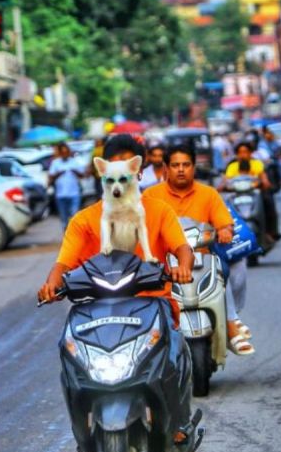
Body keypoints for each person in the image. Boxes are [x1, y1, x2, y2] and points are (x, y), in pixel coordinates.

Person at [38, 135, 195, 322]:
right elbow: (63, 264)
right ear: (103, 174)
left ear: (139, 173)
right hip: (98, 313)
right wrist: (52, 285)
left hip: (154, 306)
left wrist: (183, 268)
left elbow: (182, 248)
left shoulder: (159, 210)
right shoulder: (82, 220)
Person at [144, 145, 255, 355]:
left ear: (194, 167)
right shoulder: (151, 196)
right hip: (165, 260)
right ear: (166, 168)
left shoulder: (208, 194)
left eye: (186, 165)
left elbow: (224, 221)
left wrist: (224, 230)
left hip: (202, 258)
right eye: (175, 165)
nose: (181, 169)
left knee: (226, 267)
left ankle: (231, 322)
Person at [224, 142, 281, 242]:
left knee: (268, 202)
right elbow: (226, 181)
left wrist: (264, 183)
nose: (243, 155)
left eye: (245, 152)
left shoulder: (257, 164)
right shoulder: (232, 166)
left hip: (255, 194)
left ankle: (271, 232)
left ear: (251, 153)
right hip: (236, 195)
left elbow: (264, 178)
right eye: (240, 152)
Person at [48, 142, 84, 232]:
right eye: (62, 152)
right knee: (64, 219)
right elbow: (51, 177)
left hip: (74, 194)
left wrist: (75, 171)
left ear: (68, 152)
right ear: (60, 153)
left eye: (66, 152)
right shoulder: (56, 163)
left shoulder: (74, 162)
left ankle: (74, 234)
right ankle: (67, 235)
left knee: (74, 216)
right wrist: (59, 173)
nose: (65, 154)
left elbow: (82, 175)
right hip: (60, 195)